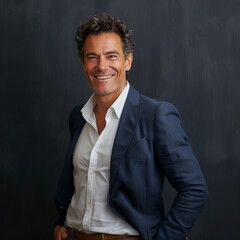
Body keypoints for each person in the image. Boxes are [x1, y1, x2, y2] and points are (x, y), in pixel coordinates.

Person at [53, 14, 208, 240]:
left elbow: (194, 189)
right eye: (92, 57)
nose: (101, 66)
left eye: (111, 56)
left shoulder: (157, 116)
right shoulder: (78, 117)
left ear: (128, 61)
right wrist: (60, 223)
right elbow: (78, 183)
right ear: (84, 63)